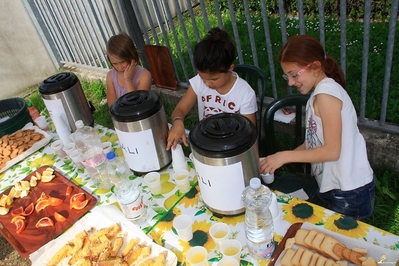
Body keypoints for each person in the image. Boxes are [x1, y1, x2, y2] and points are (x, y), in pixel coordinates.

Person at [260, 35, 375, 220]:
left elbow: (331, 151)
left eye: (294, 74)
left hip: (350, 191)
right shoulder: (319, 94)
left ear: (315, 67)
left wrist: (285, 156)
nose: (290, 82)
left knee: (341, 242)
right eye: (286, 76)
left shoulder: (327, 95)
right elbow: (313, 142)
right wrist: (277, 159)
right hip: (333, 186)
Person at [166, 27, 257, 150]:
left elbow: (248, 131)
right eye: (203, 78)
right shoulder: (198, 83)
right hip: (207, 142)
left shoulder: (244, 93)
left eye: (214, 79)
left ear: (230, 69)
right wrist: (177, 122)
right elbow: (180, 109)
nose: (208, 83)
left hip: (233, 146)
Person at [106, 32, 152, 107]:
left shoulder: (144, 76)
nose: (120, 67)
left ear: (132, 56)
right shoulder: (111, 76)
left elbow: (137, 105)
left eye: (122, 62)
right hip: (120, 117)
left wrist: (128, 80)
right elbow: (112, 107)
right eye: (115, 63)